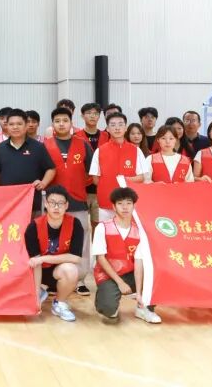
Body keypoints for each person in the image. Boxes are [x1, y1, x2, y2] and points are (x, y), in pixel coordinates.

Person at [43, 107, 94, 295]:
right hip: (52, 205)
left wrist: (79, 185)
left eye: (65, 120)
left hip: (78, 201)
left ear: (71, 123)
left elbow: (92, 172)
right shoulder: (45, 145)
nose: (61, 124)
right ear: (52, 124)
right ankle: (52, 279)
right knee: (53, 241)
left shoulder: (83, 145)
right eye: (57, 121)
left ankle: (80, 279)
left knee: (81, 242)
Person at [92, 187, 159, 324]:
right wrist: (120, 283)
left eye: (128, 203)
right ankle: (107, 299)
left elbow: (139, 262)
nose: (125, 207)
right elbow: (101, 258)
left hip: (131, 274)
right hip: (108, 275)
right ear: (114, 207)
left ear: (134, 206)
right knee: (109, 310)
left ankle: (144, 308)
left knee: (154, 272)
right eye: (120, 203)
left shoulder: (139, 231)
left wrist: (139, 293)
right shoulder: (102, 227)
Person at [25, 186, 83, 322]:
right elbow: (35, 262)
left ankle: (59, 303)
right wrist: (36, 295)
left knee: (71, 270)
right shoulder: (34, 226)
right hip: (35, 271)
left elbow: (75, 257)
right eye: (52, 203)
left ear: (66, 205)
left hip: (57, 270)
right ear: (46, 204)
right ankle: (39, 291)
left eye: (60, 203)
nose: (56, 207)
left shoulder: (75, 224)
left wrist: (44, 258)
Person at [90, 114, 150, 221]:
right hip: (106, 203)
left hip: (129, 204)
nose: (117, 128)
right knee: (107, 230)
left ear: (126, 128)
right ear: (107, 129)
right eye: (113, 125)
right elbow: (95, 179)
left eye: (120, 124)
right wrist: (109, 184)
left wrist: (124, 180)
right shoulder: (100, 151)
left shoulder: (136, 150)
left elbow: (142, 177)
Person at [0, 109, 55, 212]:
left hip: (32, 202)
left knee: (33, 223)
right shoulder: (0, 148)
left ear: (26, 126)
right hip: (7, 204)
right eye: (11, 124)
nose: (15, 127)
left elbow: (51, 169)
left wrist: (43, 183)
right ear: (7, 126)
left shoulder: (38, 147)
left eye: (19, 124)